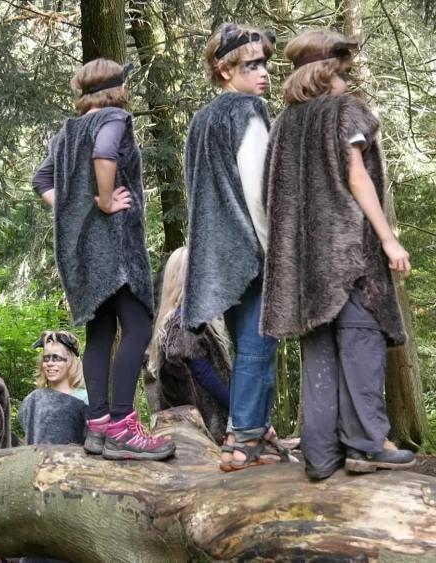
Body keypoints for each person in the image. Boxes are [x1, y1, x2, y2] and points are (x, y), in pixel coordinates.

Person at [261, 29, 416, 479]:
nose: (347, 80)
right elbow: (356, 176)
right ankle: (367, 445)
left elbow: (273, 194)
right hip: (348, 257)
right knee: (361, 342)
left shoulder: (286, 123)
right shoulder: (345, 111)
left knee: (320, 354)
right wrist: (388, 239)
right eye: (342, 71)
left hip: (305, 266)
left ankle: (321, 454)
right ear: (327, 71)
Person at [33, 58, 173, 461]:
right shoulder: (113, 118)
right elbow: (104, 152)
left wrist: (75, 210)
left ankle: (97, 426)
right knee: (138, 327)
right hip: (115, 248)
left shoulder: (68, 132)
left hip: (82, 253)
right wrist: (106, 200)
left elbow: (41, 180)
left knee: (100, 333)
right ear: (116, 89)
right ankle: (123, 427)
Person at [182, 24, 283, 470]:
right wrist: (275, 249)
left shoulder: (201, 120)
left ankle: (255, 431)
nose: (264, 73)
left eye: (265, 65)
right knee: (259, 343)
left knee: (247, 346)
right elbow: (260, 190)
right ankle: (242, 439)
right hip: (249, 247)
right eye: (252, 65)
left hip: (214, 256)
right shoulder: (248, 110)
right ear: (225, 70)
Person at [147, 248, 232, 444]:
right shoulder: (184, 323)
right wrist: (236, 406)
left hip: (195, 426)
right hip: (207, 425)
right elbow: (204, 373)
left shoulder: (172, 321)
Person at [18, 330, 89, 446]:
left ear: (71, 362)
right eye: (46, 358)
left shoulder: (85, 398)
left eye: (56, 358)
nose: (50, 363)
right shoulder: (34, 399)